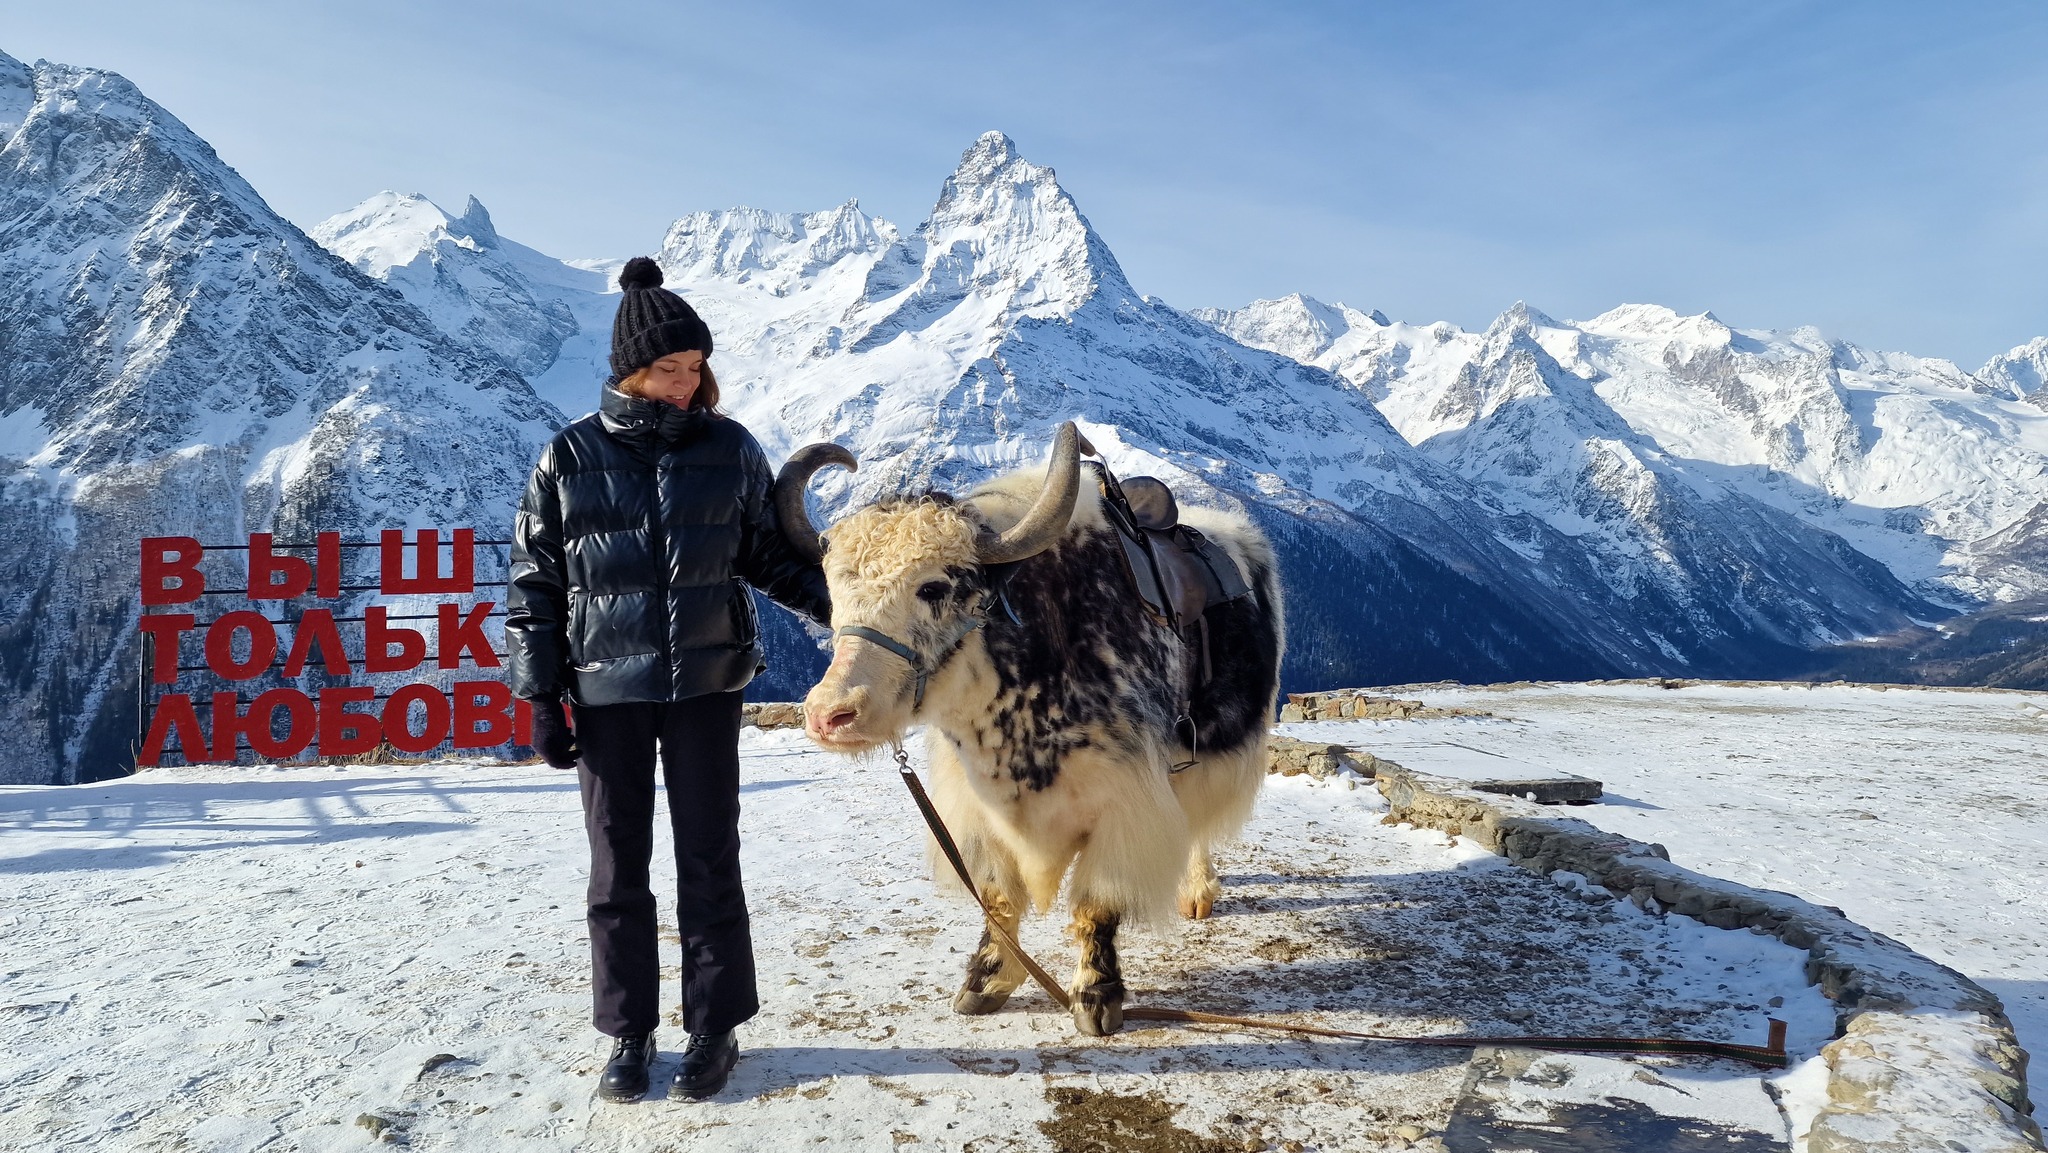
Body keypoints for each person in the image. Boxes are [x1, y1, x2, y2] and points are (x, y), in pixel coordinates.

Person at [505, 256, 831, 1103]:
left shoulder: (730, 449)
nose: (687, 384)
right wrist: (540, 694)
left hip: (708, 684)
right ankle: (629, 1033)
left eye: (695, 367)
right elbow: (535, 584)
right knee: (617, 871)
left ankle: (713, 1027)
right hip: (606, 691)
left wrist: (850, 608)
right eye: (669, 368)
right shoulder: (568, 456)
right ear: (629, 369)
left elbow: (768, 556)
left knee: (708, 858)